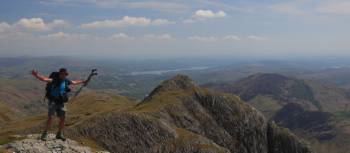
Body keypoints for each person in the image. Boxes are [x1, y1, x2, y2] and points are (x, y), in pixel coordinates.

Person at [31, 68, 87, 141]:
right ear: (59, 73)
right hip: (53, 102)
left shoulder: (66, 80)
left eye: (65, 74)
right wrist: (36, 75)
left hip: (61, 102)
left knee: (63, 118)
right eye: (63, 74)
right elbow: (45, 79)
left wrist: (83, 81)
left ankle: (59, 134)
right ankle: (44, 134)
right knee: (50, 118)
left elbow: (74, 82)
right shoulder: (54, 79)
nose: (64, 75)